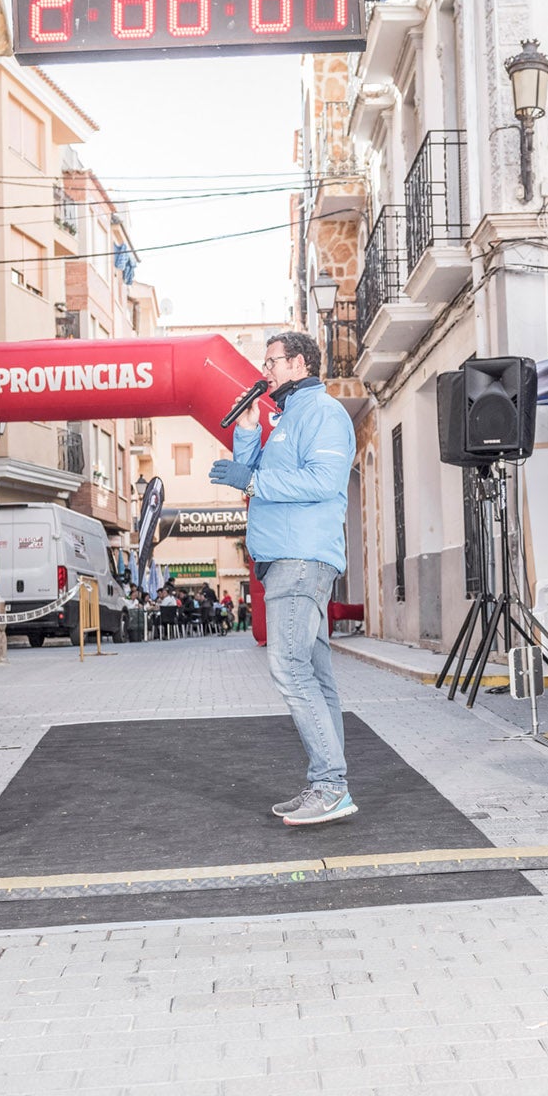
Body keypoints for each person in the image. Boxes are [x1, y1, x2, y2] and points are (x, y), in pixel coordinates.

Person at [210, 331, 357, 826]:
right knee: (315, 676)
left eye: (271, 361)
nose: (264, 371)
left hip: (302, 559)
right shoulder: (288, 418)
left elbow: (323, 481)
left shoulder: (324, 414)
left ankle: (330, 786)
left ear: (298, 364)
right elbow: (259, 473)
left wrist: (250, 480)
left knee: (289, 669)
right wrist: (249, 429)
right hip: (285, 559)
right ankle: (328, 783)